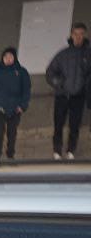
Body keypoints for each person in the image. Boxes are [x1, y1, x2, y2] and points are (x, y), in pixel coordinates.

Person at [45, 22, 91, 160]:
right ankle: (57, 151)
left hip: (79, 96)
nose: (78, 37)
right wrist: (59, 84)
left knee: (74, 125)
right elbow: (50, 73)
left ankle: (71, 151)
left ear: (85, 35)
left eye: (81, 34)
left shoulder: (89, 54)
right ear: (71, 35)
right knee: (58, 124)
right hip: (62, 95)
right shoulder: (63, 54)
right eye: (76, 34)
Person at [0, 47, 31, 161]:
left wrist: (22, 106)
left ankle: (10, 155)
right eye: (5, 57)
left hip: (15, 109)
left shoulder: (22, 72)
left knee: (12, 133)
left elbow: (26, 91)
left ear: (14, 58)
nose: (8, 59)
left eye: (10, 56)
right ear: (2, 58)